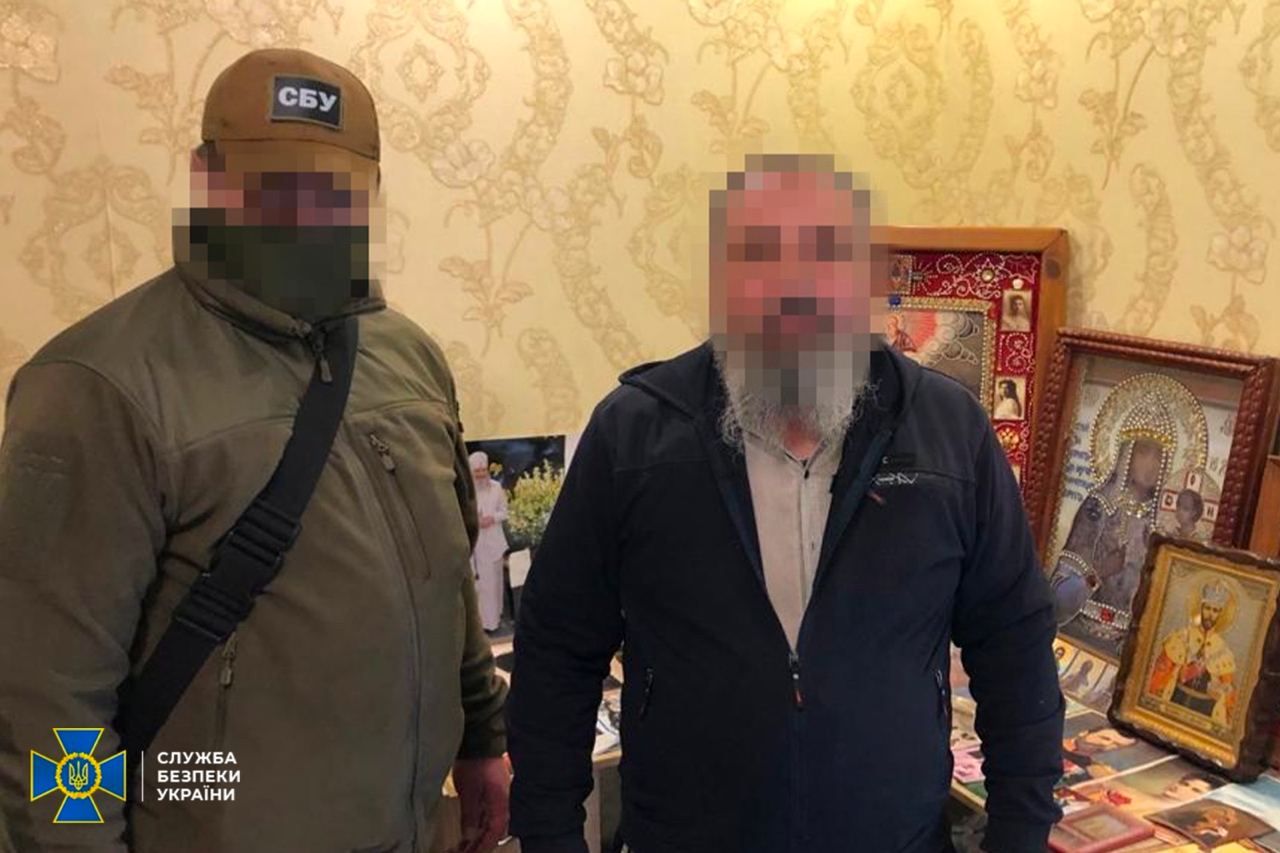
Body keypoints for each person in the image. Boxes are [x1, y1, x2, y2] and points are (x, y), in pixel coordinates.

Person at [0, 49, 508, 852]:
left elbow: (447, 580)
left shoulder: (409, 356)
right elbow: (49, 702)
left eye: (333, 192)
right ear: (206, 178)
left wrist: (482, 735)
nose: (304, 215)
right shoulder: (97, 387)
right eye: (273, 186)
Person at [507, 154, 1064, 853]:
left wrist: (1020, 833)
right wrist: (550, 836)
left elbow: (1014, 642)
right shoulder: (633, 436)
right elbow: (556, 652)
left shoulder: (950, 433)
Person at [1050, 396, 1178, 652]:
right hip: (1078, 632)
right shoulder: (1097, 508)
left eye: (1158, 455)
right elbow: (1057, 601)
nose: (1151, 465)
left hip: (1133, 646)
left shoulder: (1163, 524)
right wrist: (1098, 573)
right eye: (1144, 452)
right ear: (1126, 454)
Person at [1146, 578, 1238, 725]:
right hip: (1173, 703)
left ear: (1221, 614)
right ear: (1200, 608)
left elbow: (1229, 696)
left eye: (1215, 610)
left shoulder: (1224, 652)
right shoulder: (1180, 638)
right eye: (1207, 608)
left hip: (1203, 715)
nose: (1210, 614)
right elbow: (1158, 676)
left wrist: (1220, 691)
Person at [470, 450, 510, 633]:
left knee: (496, 583)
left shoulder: (496, 487)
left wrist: (492, 518)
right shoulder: (468, 492)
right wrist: (475, 521)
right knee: (484, 585)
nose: (480, 474)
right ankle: (486, 624)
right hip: (477, 544)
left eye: (483, 470)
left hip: (495, 543)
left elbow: (505, 512)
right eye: (477, 471)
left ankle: (496, 619)